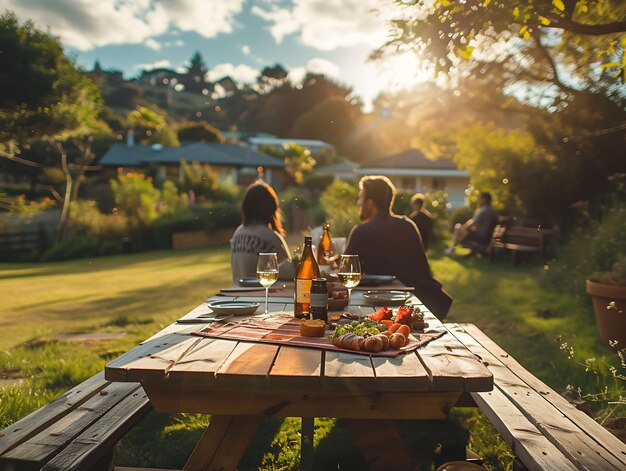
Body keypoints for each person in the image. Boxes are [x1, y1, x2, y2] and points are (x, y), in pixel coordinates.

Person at [344, 176, 452, 320]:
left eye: (360, 198)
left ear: (370, 204)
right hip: (421, 302)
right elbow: (422, 270)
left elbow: (345, 270)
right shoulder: (408, 225)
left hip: (381, 306)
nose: (358, 203)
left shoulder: (361, 232)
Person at [230, 180, 292, 284]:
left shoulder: (238, 233)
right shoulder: (271, 237)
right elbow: (290, 271)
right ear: (271, 207)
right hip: (261, 295)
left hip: (236, 294)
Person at [444, 192, 499, 256]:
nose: (478, 200)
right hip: (487, 237)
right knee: (464, 231)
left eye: (480, 198)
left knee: (458, 227)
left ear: (484, 199)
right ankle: (454, 248)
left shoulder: (483, 211)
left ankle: (452, 248)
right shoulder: (493, 211)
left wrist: (462, 228)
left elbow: (472, 223)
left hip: (480, 237)